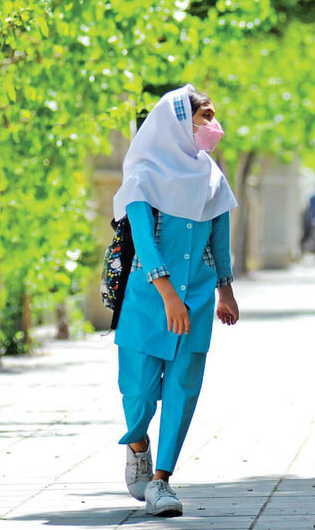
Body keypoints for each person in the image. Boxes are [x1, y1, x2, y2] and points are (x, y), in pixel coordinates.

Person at [111, 84, 240, 517]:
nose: (212, 126)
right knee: (139, 390)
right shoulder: (142, 176)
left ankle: (162, 480)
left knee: (184, 387)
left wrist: (225, 289)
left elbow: (219, 239)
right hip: (148, 299)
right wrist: (167, 294)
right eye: (205, 116)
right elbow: (145, 242)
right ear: (179, 123)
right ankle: (138, 442)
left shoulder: (212, 177)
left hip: (200, 298)